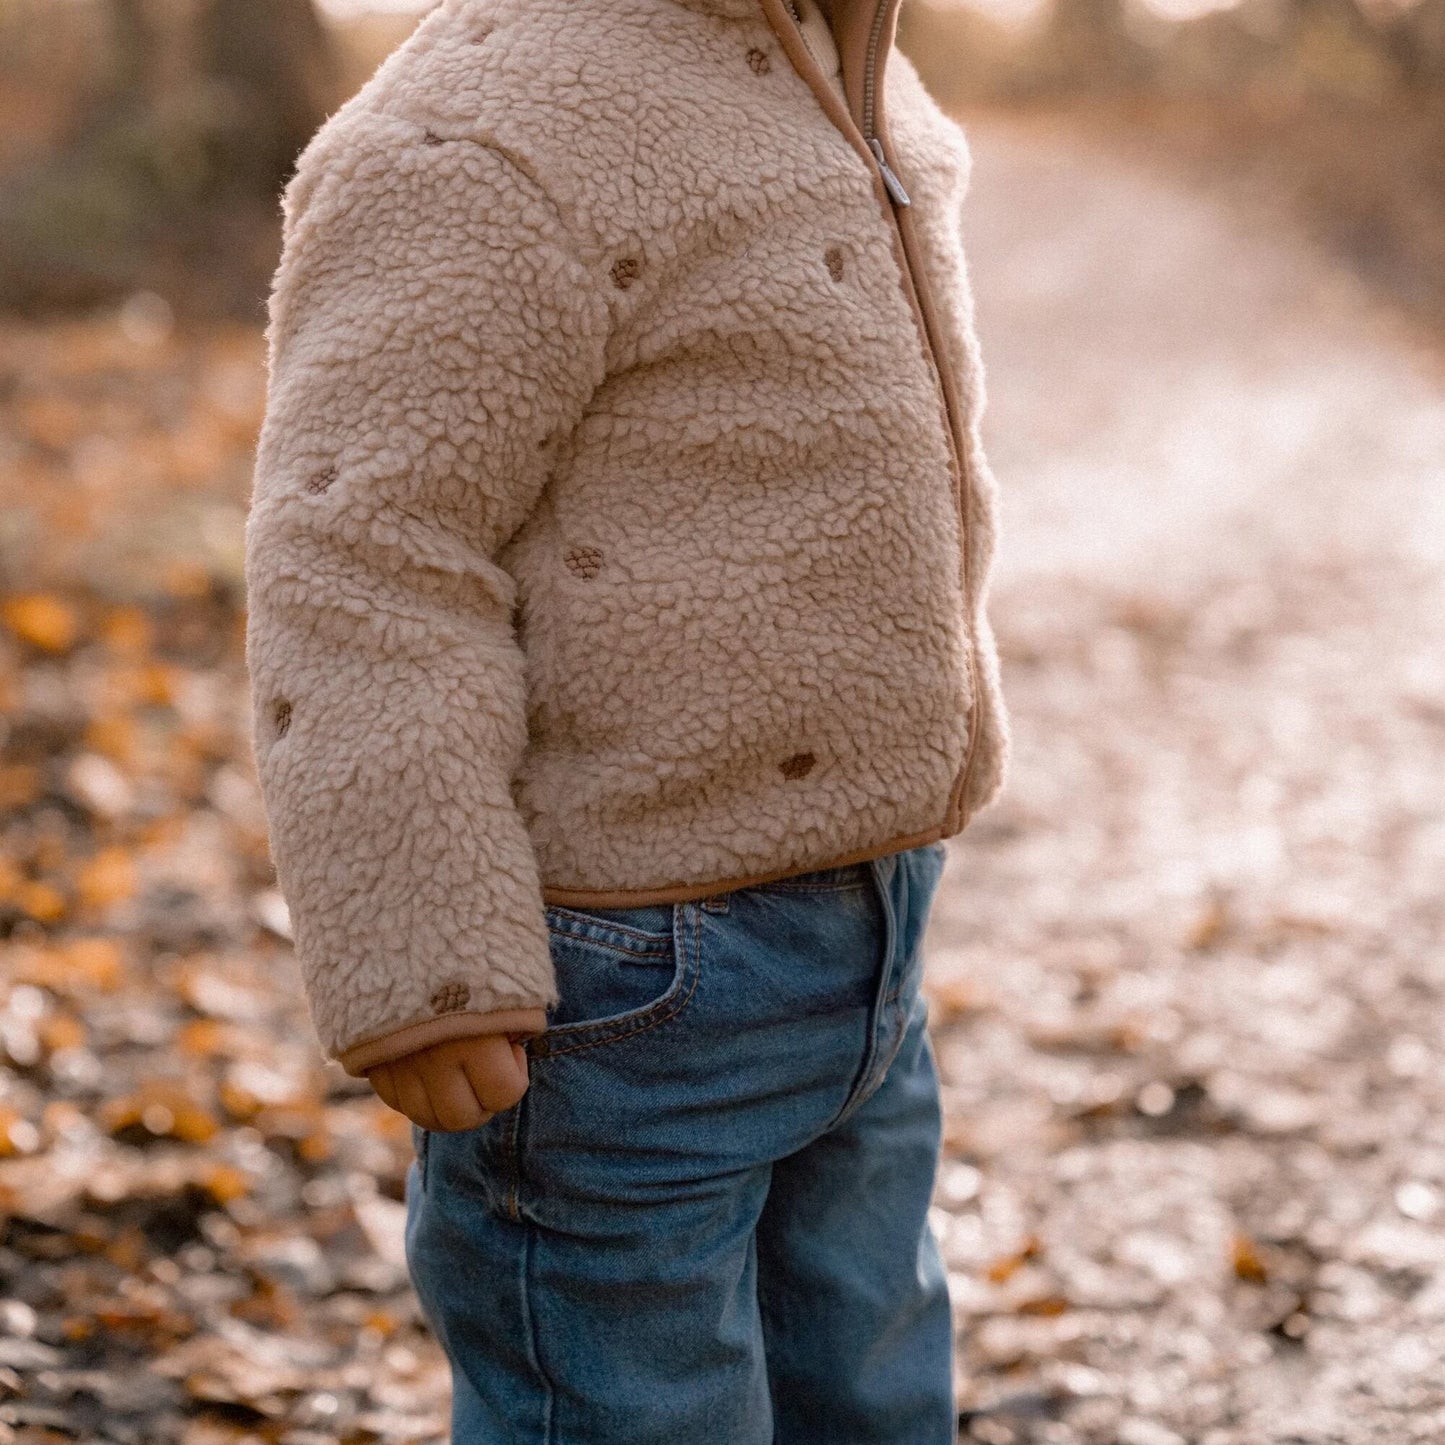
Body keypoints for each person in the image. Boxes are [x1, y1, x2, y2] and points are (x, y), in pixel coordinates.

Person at [243, 0, 1009, 1433]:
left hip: (866, 933)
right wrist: (420, 950)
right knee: (635, 1405)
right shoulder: (485, 136)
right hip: (621, 978)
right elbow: (361, 551)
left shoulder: (841, 63)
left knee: (869, 1384)